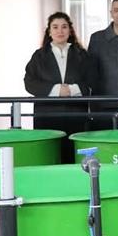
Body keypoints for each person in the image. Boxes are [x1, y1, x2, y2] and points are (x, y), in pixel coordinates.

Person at [24, 12, 97, 163]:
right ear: (49, 32)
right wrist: (57, 90)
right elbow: (29, 82)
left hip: (76, 114)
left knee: (74, 157)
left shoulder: (82, 55)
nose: (60, 31)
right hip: (47, 116)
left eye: (64, 27)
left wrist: (71, 90)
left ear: (70, 30)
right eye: (55, 27)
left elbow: (93, 80)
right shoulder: (39, 56)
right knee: (50, 157)